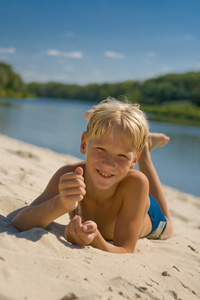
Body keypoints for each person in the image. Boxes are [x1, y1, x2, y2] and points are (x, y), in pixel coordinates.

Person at [11, 97, 173, 253]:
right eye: (101, 149)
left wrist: (96, 240)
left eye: (122, 156)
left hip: (147, 212)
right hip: (126, 187)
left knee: (168, 224)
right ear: (84, 143)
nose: (109, 163)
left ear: (133, 161)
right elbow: (20, 221)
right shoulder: (69, 175)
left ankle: (144, 151)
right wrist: (61, 203)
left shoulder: (136, 184)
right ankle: (139, 143)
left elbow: (125, 249)